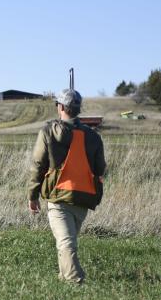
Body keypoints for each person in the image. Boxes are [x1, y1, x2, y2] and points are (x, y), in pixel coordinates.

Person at [28, 88, 106, 284]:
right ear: (78, 109)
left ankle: (75, 281)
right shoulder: (93, 136)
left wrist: (32, 195)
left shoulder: (48, 131)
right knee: (67, 242)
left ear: (60, 107)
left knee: (66, 242)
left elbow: (38, 164)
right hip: (84, 197)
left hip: (58, 195)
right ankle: (63, 278)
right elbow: (100, 168)